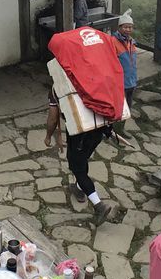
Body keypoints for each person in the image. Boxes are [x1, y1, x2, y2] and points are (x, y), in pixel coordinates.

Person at [44, 86, 113, 224]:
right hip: (98, 128)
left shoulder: (58, 87)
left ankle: (98, 205)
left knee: (77, 167)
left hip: (79, 133)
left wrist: (48, 136)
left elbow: (53, 118)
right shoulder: (88, 77)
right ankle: (80, 187)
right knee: (82, 159)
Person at [110, 9, 139, 110]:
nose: (128, 29)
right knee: (121, 104)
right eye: (125, 27)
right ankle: (119, 122)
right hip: (120, 81)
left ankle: (127, 117)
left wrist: (135, 79)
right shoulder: (113, 41)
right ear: (119, 27)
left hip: (131, 80)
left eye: (130, 27)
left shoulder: (131, 41)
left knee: (129, 102)